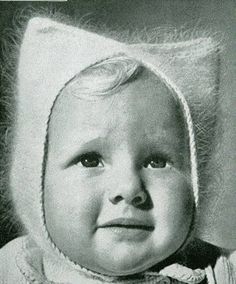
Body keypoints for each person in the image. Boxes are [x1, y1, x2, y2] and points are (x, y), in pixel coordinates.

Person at [0, 16, 235, 283]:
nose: (129, 189)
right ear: (34, 183)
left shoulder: (222, 272)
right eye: (90, 160)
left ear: (195, 180)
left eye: (157, 161)